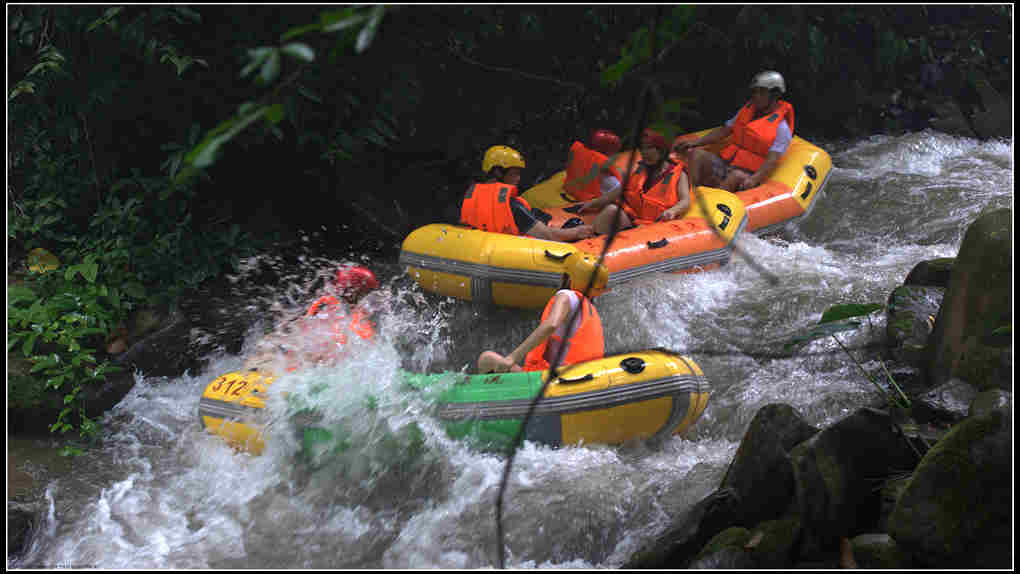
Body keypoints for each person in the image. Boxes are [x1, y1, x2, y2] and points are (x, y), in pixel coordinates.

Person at [476, 261, 608, 374]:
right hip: (583, 376)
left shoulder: (566, 295)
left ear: (569, 278)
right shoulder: (589, 309)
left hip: (556, 381)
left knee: (486, 359)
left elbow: (551, 324)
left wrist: (512, 358)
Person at [673, 70, 794, 193]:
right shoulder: (747, 110)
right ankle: (689, 194)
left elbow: (772, 160)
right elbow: (724, 131)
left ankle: (712, 205)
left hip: (747, 173)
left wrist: (754, 179)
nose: (756, 96)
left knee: (735, 176)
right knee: (697, 153)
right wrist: (696, 142)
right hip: (726, 163)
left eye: (762, 92)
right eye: (755, 91)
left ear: (774, 95)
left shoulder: (781, 129)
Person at [245, 265, 383, 371]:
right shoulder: (351, 321)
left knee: (270, 347)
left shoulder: (322, 308)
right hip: (305, 366)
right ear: (359, 294)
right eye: (369, 294)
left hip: (288, 359)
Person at [460, 145, 595, 242]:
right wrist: (577, 232)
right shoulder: (511, 205)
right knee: (575, 225)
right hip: (515, 257)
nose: (518, 178)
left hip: (483, 249)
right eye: (515, 173)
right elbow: (549, 236)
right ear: (498, 172)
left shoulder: (472, 196)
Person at [577, 128, 692, 235]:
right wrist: (594, 202)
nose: (644, 152)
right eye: (642, 148)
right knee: (611, 210)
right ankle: (589, 242)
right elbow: (619, 191)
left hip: (656, 224)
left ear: (661, 151)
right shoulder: (641, 170)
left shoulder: (678, 175)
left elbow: (685, 200)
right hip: (635, 219)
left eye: (649, 148)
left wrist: (673, 211)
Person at [562, 129, 624, 202]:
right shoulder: (604, 169)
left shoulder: (579, 151)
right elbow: (620, 190)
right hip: (590, 197)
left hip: (571, 188)